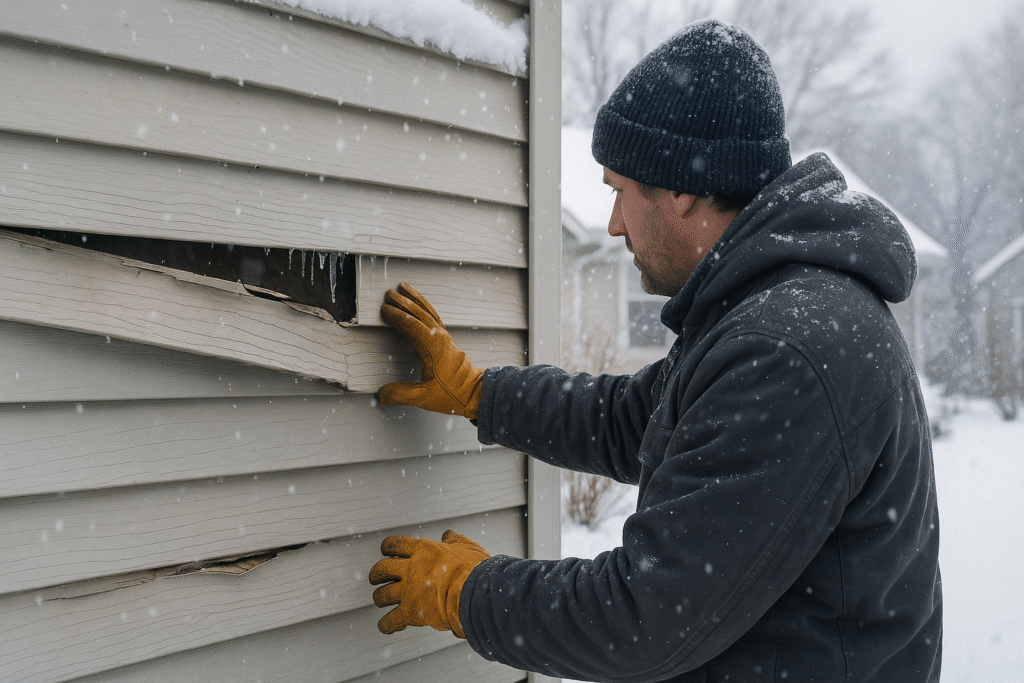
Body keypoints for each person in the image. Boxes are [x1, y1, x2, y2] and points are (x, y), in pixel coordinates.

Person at [368, 19, 942, 683]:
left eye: (619, 191)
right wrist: (478, 391)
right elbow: (638, 419)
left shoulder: (787, 348)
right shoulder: (771, 311)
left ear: (683, 190)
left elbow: (644, 614)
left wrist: (468, 593)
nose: (612, 224)